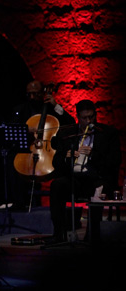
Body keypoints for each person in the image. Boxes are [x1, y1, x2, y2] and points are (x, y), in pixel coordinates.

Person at [48, 99, 121, 243]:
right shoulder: (68, 133)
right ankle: (58, 234)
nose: (89, 121)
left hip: (96, 178)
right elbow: (56, 162)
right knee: (57, 185)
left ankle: (92, 235)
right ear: (78, 117)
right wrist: (66, 156)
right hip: (75, 178)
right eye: (84, 118)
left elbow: (115, 161)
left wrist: (93, 154)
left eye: (92, 117)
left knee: (99, 188)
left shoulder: (108, 133)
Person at [7, 80, 76, 210]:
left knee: (62, 162)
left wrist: (56, 105)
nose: (32, 97)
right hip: (28, 148)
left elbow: (71, 122)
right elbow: (13, 128)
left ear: (43, 93)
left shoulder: (51, 109)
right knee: (11, 159)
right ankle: (18, 203)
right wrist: (26, 129)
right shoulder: (21, 110)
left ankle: (58, 206)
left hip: (48, 150)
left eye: (35, 94)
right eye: (29, 94)